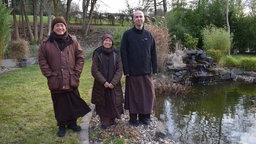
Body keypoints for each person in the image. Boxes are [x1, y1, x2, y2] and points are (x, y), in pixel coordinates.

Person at [38, 17, 91, 137]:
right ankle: (61, 125)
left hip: (71, 78)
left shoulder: (73, 41)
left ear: (65, 27)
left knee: (72, 102)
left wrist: (76, 72)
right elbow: (42, 60)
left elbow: (80, 57)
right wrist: (50, 75)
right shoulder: (46, 43)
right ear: (53, 28)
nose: (60, 28)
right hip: (56, 80)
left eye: (62, 25)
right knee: (59, 104)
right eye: (57, 26)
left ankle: (72, 123)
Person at [120, 10, 158, 126]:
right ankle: (133, 118)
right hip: (132, 72)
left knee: (147, 95)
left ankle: (145, 116)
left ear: (144, 18)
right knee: (133, 96)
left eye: (140, 16)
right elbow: (123, 53)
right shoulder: (127, 35)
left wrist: (155, 69)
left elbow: (153, 53)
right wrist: (126, 70)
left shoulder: (149, 35)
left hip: (146, 71)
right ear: (133, 19)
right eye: (136, 17)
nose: (138, 19)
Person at [91, 34, 124, 129]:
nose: (107, 42)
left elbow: (119, 69)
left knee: (114, 101)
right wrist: (104, 82)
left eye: (109, 41)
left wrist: (113, 82)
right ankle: (105, 122)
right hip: (101, 84)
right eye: (106, 40)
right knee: (103, 102)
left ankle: (112, 119)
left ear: (112, 42)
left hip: (113, 84)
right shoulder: (97, 52)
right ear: (102, 41)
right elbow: (94, 70)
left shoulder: (116, 53)